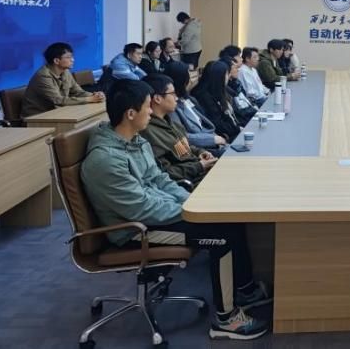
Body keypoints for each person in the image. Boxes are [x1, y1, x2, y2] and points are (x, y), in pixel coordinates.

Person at [80, 79, 269, 340]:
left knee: (229, 219)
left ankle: (245, 290)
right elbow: (141, 208)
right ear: (131, 113)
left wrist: (191, 203)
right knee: (222, 235)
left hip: (159, 214)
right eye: (147, 106)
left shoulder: (136, 141)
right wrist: (191, 211)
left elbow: (161, 180)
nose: (151, 112)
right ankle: (226, 320)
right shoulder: (105, 160)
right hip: (136, 231)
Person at [141, 73, 217, 188]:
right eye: (172, 93)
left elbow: (185, 147)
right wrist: (199, 166)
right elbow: (165, 173)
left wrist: (200, 152)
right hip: (191, 184)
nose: (176, 97)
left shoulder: (172, 123)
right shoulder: (148, 132)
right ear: (157, 98)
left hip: (201, 173)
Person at [21, 42, 105, 117]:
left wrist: (95, 95)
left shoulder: (65, 72)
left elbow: (78, 92)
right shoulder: (43, 76)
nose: (73, 60)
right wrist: (89, 99)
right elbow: (58, 100)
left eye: (72, 57)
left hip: (58, 113)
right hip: (37, 118)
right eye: (68, 57)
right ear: (56, 61)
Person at [164, 61, 228, 155]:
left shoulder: (189, 99)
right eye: (190, 77)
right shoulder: (171, 107)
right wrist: (212, 139)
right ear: (181, 80)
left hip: (214, 139)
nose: (194, 80)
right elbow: (182, 136)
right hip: (202, 148)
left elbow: (204, 124)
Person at [191, 60, 242, 143]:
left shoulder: (216, 89)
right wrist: (237, 129)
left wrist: (237, 128)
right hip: (221, 137)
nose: (228, 76)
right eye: (226, 74)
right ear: (219, 77)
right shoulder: (203, 96)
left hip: (230, 131)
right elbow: (217, 122)